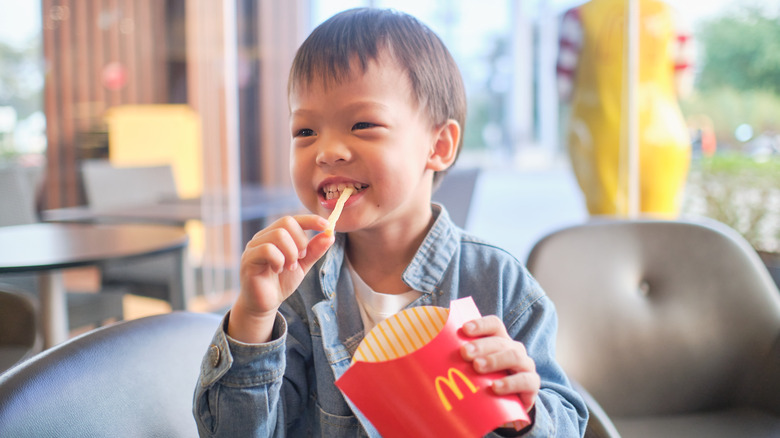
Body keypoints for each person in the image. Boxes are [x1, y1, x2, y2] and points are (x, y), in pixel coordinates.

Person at [194, 7, 588, 437]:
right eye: (305, 131)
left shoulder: (499, 285)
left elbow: (566, 421)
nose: (327, 151)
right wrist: (253, 316)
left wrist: (525, 413)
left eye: (362, 124)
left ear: (439, 145)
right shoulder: (296, 294)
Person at [557, 0, 695, 216]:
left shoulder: (578, 16)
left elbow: (563, 88)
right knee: (659, 222)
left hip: (597, 134)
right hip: (663, 133)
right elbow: (683, 86)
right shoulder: (672, 15)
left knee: (608, 223)